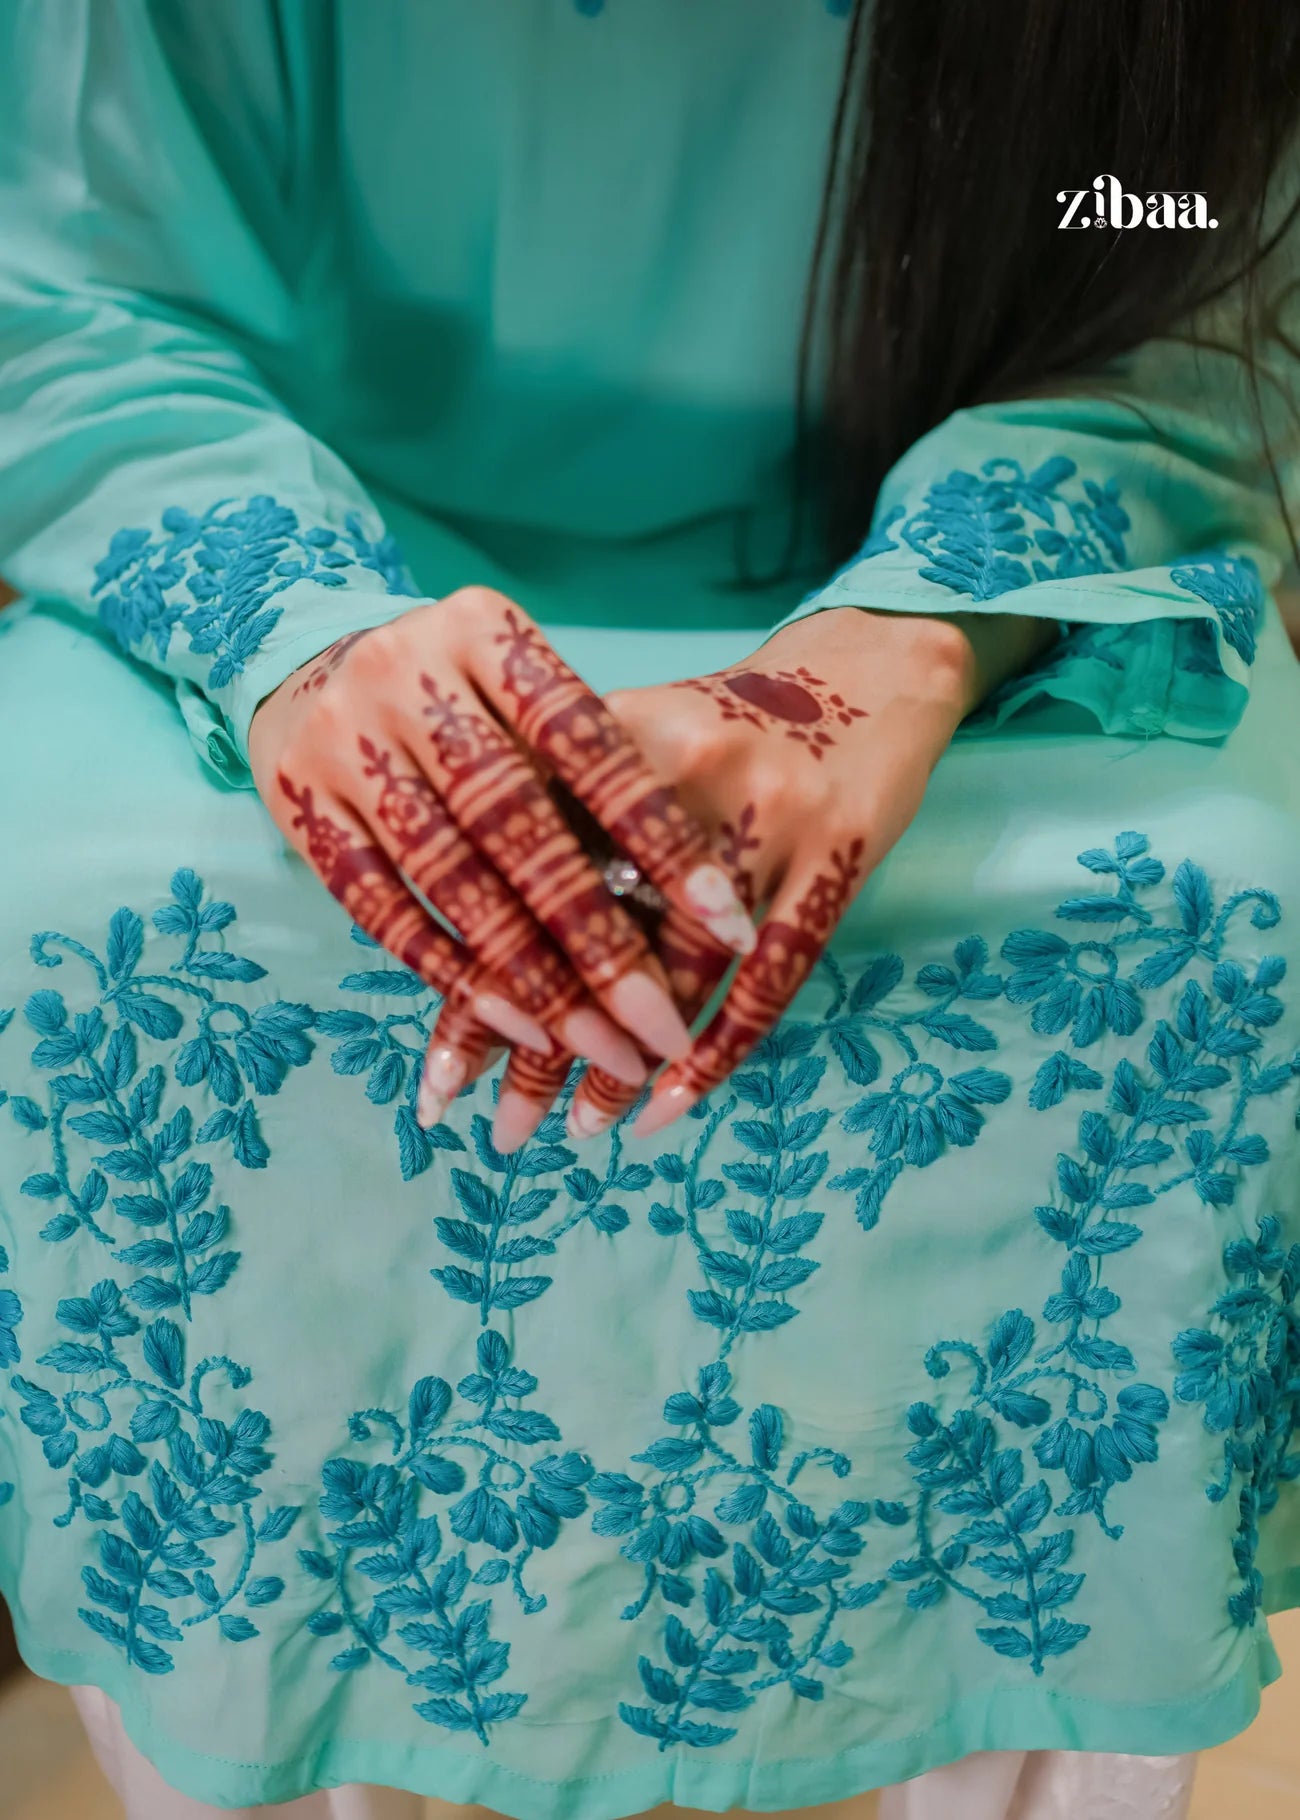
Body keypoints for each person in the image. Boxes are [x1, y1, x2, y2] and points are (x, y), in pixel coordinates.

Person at [1, 3, 1299, 1816]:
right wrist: (299, 636)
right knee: (100, 930)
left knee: (1199, 919)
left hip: (940, 578)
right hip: (304, 541)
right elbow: (77, 277)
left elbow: (1171, 257)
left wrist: (903, 643)